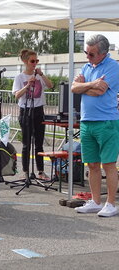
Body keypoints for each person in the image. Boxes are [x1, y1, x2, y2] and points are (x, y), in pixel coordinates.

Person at [72, 34, 119, 217]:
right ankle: (96, 201)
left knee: (108, 164)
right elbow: (74, 87)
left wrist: (84, 86)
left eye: (91, 54)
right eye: (86, 52)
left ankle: (111, 203)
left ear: (103, 53)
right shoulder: (86, 66)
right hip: (86, 121)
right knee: (92, 164)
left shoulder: (114, 67)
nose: (87, 57)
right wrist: (90, 84)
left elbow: (100, 91)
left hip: (107, 121)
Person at [11, 49, 53, 181]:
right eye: (32, 61)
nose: (35, 63)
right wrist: (27, 85)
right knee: (26, 143)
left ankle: (40, 171)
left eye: (37, 61)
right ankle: (25, 171)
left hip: (39, 110)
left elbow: (51, 86)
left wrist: (42, 74)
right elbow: (16, 95)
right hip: (26, 110)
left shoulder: (39, 75)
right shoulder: (20, 77)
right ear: (25, 61)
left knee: (39, 143)